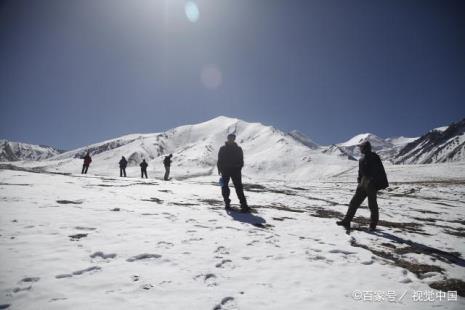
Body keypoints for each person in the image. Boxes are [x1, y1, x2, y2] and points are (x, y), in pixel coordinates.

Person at [337, 141, 389, 231]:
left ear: (365, 148)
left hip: (371, 184)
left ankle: (373, 225)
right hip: (362, 183)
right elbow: (360, 172)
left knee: (372, 205)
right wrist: (359, 180)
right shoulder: (362, 159)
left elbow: (379, 170)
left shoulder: (374, 157)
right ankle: (346, 221)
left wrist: (374, 182)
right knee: (354, 202)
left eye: (361, 147)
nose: (359, 149)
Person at [217, 133, 250, 212]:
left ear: (234, 139)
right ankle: (227, 204)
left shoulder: (238, 149)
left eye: (232, 138)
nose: (231, 139)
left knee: (239, 188)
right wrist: (219, 169)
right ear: (228, 138)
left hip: (236, 171)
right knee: (225, 187)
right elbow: (219, 160)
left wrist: (238, 168)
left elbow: (241, 160)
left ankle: (244, 205)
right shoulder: (222, 148)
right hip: (225, 171)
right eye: (230, 138)